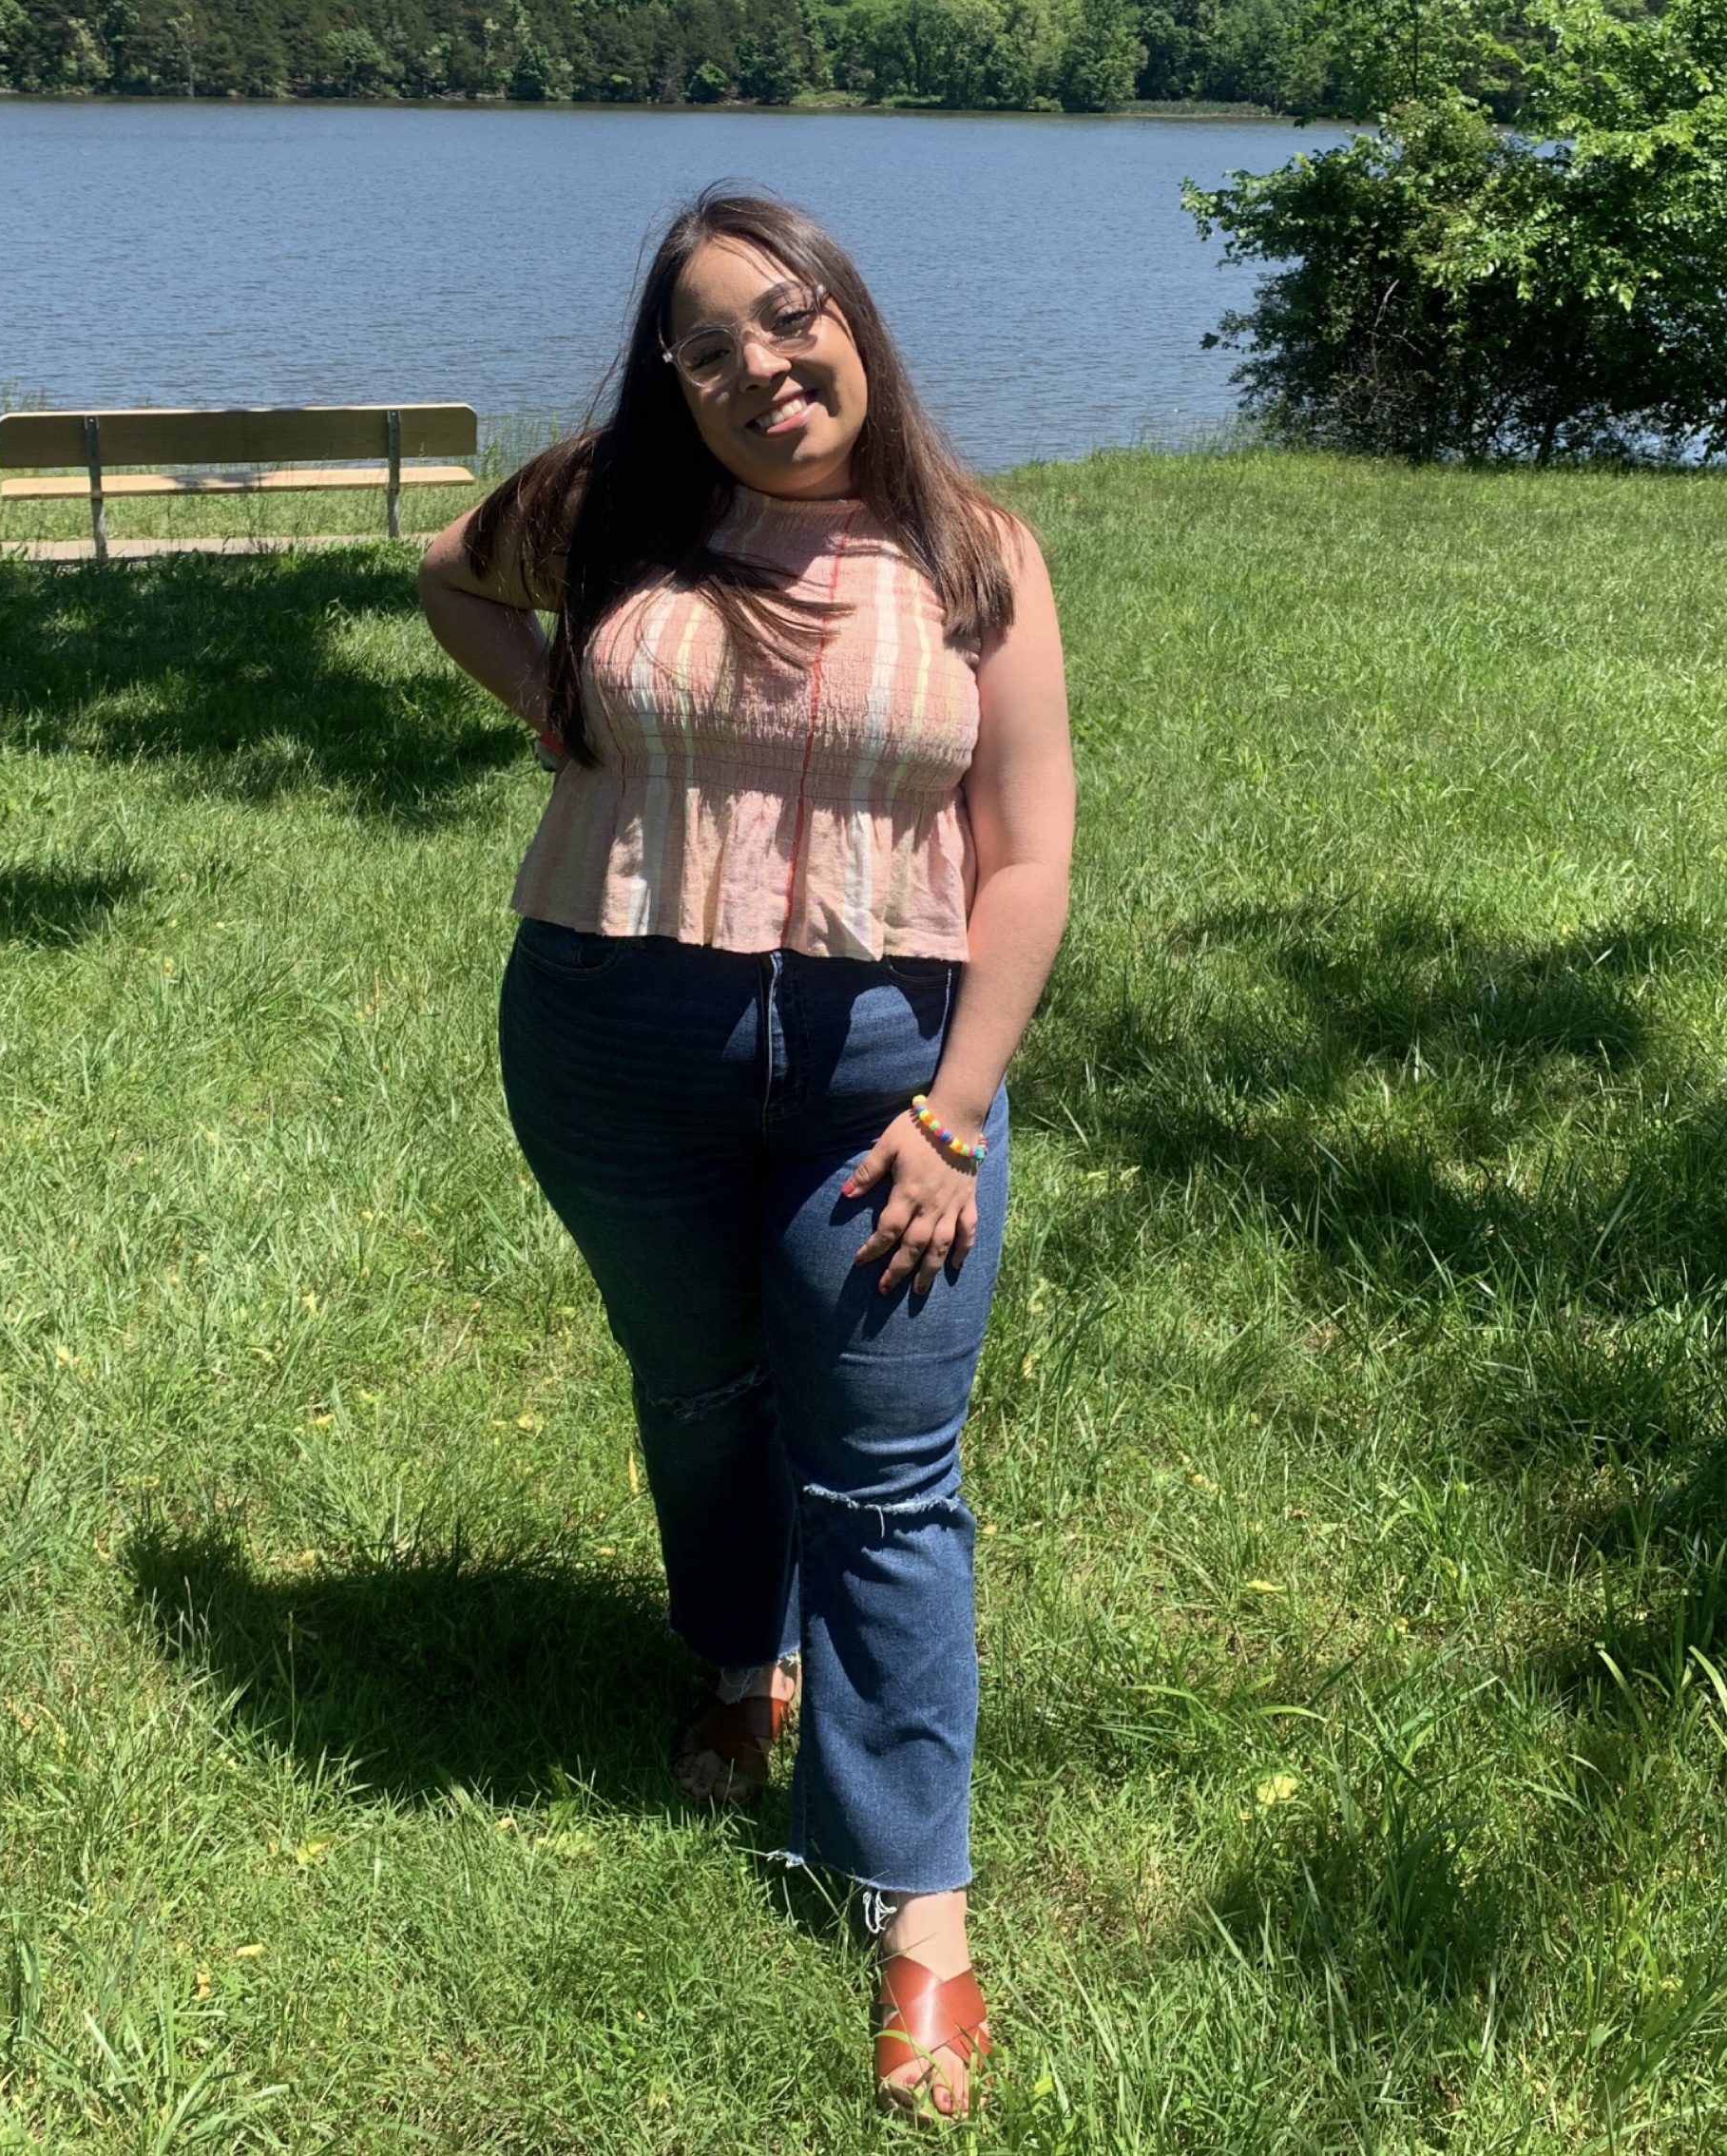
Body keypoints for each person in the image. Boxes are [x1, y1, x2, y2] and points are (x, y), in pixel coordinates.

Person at [415, 185, 1073, 2121]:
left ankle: (919, 1908)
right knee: (700, 1392)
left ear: (852, 321)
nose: (761, 369)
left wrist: (954, 1117)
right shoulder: (613, 508)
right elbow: (446, 574)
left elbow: (1028, 857)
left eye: (789, 322)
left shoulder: (976, 558)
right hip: (616, 1037)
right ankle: (734, 1659)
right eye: (707, 346)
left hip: (888, 1072)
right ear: (669, 378)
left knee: (885, 1473)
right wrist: (557, 704)